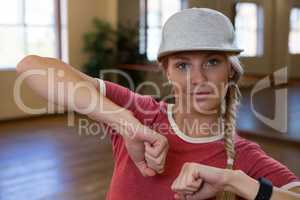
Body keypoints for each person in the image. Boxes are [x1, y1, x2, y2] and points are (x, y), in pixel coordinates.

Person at [16, 7, 300, 200]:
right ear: (166, 71)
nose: (198, 78)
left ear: (231, 71)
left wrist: (234, 181)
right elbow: (31, 67)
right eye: (183, 65)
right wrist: (126, 124)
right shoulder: (138, 112)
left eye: (212, 62)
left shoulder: (245, 156)